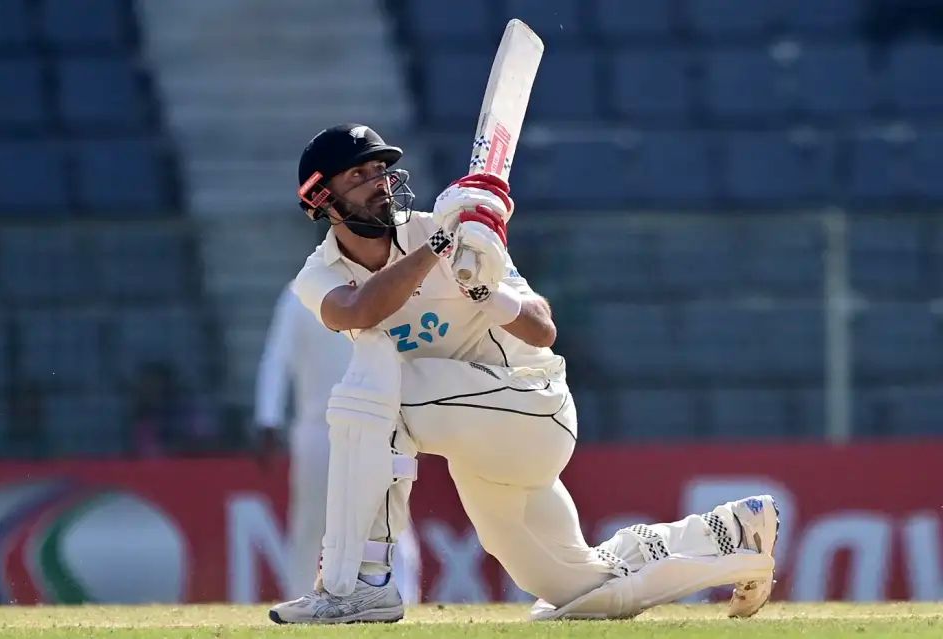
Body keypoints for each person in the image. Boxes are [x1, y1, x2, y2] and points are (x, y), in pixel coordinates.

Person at [268, 124, 780, 624]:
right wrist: (438, 247)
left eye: (381, 169)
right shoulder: (325, 272)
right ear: (322, 199)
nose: (379, 182)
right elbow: (359, 311)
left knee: (376, 393)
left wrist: (488, 292)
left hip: (530, 407)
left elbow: (542, 329)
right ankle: (733, 533)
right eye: (359, 175)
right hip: (474, 440)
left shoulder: (455, 235)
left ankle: (362, 583)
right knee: (581, 589)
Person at [255, 282, 421, 601]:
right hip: (344, 427)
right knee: (375, 519)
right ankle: (307, 599)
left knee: (376, 519)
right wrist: (267, 418)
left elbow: (276, 359)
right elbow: (278, 358)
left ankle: (399, 599)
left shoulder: (304, 292)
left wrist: (268, 419)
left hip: (350, 428)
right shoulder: (307, 292)